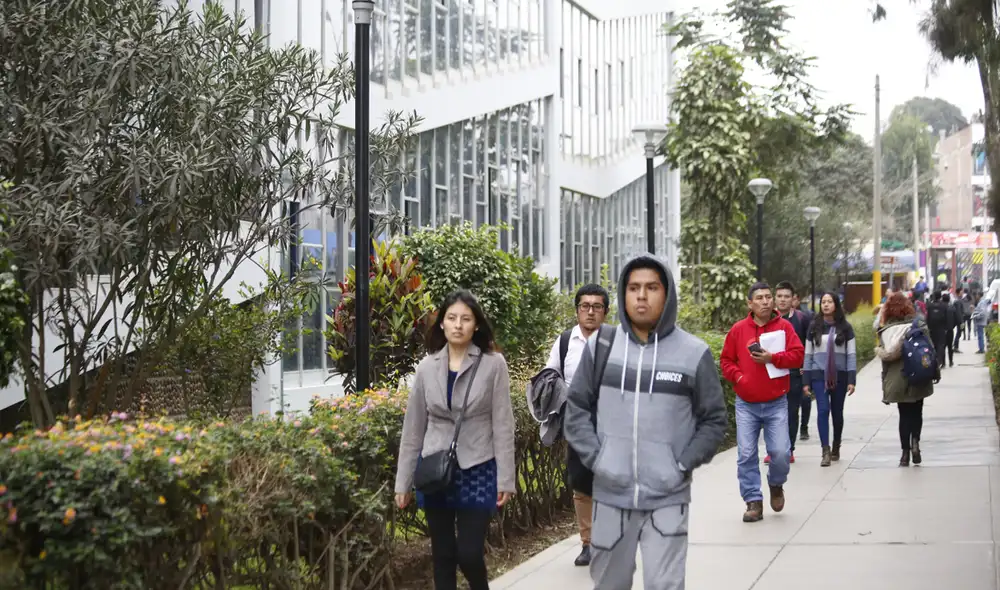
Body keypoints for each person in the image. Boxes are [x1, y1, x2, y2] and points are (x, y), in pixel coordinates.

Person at [564, 254, 728, 590]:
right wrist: (598, 459)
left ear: (666, 295)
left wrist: (681, 463)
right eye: (634, 287)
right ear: (624, 295)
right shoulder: (602, 347)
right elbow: (577, 407)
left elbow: (714, 419)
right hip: (610, 498)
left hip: (668, 498)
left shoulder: (693, 353)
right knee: (609, 584)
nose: (642, 296)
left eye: (652, 287)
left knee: (665, 585)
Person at [394, 290, 516, 590]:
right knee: (443, 555)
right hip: (436, 470)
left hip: (478, 467)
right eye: (451, 318)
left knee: (469, 553)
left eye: (465, 319)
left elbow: (502, 424)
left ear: (476, 325)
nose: (458, 325)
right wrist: (403, 483)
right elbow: (413, 429)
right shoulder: (426, 368)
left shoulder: (493, 364)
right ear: (442, 325)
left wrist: (506, 479)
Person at [720, 282, 804, 523]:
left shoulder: (784, 327)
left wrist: (773, 358)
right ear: (750, 303)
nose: (766, 301)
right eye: (760, 297)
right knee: (746, 453)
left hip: (776, 401)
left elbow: (798, 355)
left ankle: (776, 484)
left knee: (780, 453)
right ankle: (753, 501)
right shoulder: (738, 330)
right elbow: (726, 361)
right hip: (746, 403)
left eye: (769, 297)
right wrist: (739, 377)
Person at [543, 283, 609, 567]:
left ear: (605, 312)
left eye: (597, 307)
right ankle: (589, 543)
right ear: (577, 310)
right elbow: (549, 374)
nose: (590, 311)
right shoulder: (565, 341)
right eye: (585, 306)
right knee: (581, 481)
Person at [875, 293, 937, 467]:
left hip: (898, 379)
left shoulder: (886, 331)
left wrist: (884, 386)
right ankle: (915, 442)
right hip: (919, 375)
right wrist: (935, 372)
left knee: (904, 415)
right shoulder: (918, 325)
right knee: (917, 411)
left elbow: (885, 363)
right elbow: (930, 350)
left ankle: (904, 453)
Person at [803, 292, 857, 467]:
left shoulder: (846, 327)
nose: (826, 305)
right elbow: (808, 354)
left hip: (840, 376)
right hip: (819, 375)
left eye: (829, 302)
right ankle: (825, 450)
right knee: (823, 410)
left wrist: (851, 379)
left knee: (837, 413)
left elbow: (851, 355)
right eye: (823, 302)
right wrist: (806, 380)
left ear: (836, 305)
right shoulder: (814, 326)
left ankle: (836, 445)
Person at [766, 281, 809, 464]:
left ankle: (789, 448)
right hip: (771, 373)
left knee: (791, 412)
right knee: (770, 414)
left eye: (786, 296)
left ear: (793, 300)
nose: (783, 300)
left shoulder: (802, 319)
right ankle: (772, 450)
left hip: (793, 373)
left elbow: (809, 345)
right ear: (775, 299)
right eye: (780, 296)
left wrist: (805, 365)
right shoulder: (767, 319)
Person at [792, 293, 814, 440]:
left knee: (805, 399)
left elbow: (810, 342)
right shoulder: (776, 318)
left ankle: (804, 427)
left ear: (797, 300)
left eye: (792, 298)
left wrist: (807, 365)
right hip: (787, 367)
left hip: (802, 365)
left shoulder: (803, 317)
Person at [925, 292, 950, 369]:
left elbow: (928, 317)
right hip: (941, 328)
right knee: (941, 345)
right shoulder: (944, 306)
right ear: (940, 297)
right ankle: (940, 361)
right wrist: (946, 327)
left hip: (932, 328)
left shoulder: (930, 305)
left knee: (934, 344)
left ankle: (934, 361)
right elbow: (947, 317)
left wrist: (928, 327)